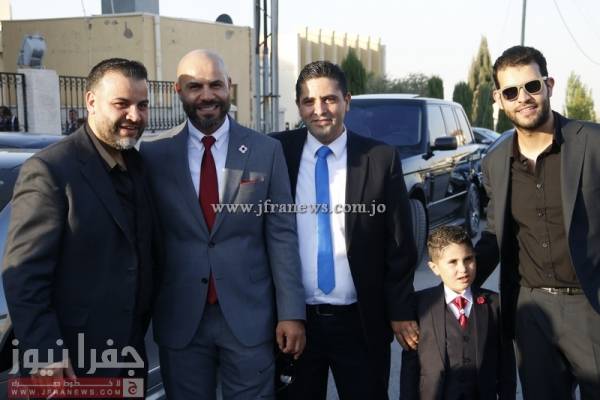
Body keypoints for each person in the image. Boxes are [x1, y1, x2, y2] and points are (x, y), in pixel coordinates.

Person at [140, 49, 306, 399]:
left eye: (215, 84)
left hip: (249, 318)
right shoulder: (154, 154)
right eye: (194, 86)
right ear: (178, 90)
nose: (207, 95)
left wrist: (291, 312)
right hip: (180, 318)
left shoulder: (266, 150)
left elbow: (282, 235)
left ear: (229, 86)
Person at [2, 58, 159, 382]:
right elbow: (24, 274)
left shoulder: (139, 166)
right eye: (121, 104)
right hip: (73, 365)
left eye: (142, 105)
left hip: (129, 358)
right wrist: (45, 352)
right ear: (91, 101)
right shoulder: (50, 170)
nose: (134, 115)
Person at [271, 61, 418, 400]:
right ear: (298, 106)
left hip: (361, 322)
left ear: (347, 101)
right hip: (296, 322)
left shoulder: (380, 158)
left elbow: (399, 242)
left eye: (329, 99)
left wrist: (399, 310)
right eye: (309, 101)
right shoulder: (277, 152)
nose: (319, 110)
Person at [475, 45, 600, 399]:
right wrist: (457, 282)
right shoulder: (495, 161)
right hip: (532, 314)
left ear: (549, 85)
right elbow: (495, 233)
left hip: (591, 307)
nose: (523, 99)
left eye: (532, 86)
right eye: (511, 92)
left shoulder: (593, 142)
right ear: (499, 99)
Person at [400, 226, 516, 400]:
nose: (463, 269)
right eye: (453, 262)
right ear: (434, 267)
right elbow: (410, 369)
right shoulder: (420, 305)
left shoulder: (494, 304)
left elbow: (506, 365)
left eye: (468, 259)